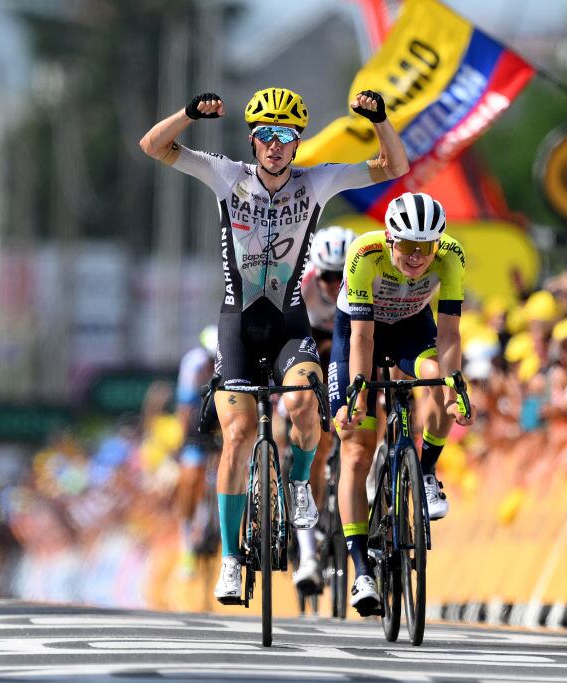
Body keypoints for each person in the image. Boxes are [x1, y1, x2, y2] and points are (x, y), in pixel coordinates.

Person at [139, 86, 409, 604]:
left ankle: (301, 484)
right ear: (253, 139)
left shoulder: (317, 180)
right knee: (238, 435)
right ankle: (230, 562)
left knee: (307, 406)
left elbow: (392, 166)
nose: (275, 145)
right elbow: (154, 145)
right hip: (237, 324)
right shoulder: (227, 175)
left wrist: (380, 120)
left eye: (286, 136)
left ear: (297, 141)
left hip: (289, 323)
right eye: (266, 134)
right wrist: (188, 114)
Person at [330, 192, 473, 615]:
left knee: (441, 386)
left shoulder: (451, 256)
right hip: (360, 331)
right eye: (408, 246)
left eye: (425, 248)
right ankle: (360, 572)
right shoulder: (365, 253)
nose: (416, 257)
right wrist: (359, 390)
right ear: (391, 239)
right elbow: (361, 338)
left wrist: (456, 387)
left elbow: (449, 335)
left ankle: (425, 471)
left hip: (412, 327)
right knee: (356, 447)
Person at [289, 225, 354, 593]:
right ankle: (308, 551)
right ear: (316, 272)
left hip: (346, 340)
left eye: (341, 275)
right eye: (328, 275)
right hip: (308, 340)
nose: (334, 283)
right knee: (299, 434)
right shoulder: (304, 287)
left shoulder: (363, 281)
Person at [173, 325, 218, 576]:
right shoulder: (194, 365)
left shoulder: (227, 360)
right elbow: (184, 408)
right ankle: (186, 540)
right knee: (191, 477)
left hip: (221, 415)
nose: (212, 364)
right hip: (196, 421)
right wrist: (184, 441)